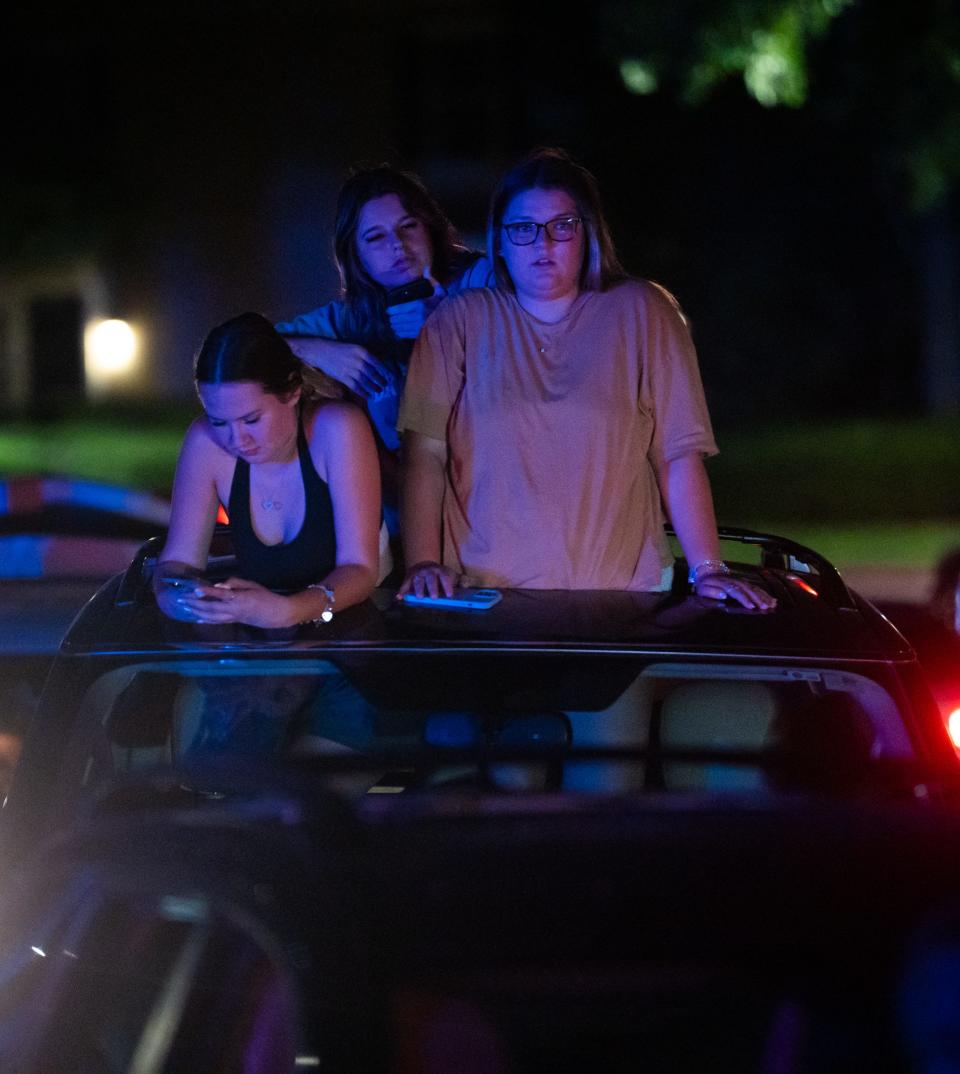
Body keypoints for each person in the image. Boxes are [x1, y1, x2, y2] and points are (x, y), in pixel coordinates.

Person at [397, 147, 774, 610]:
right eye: (523, 229)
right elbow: (425, 456)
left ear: (588, 232)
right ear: (500, 240)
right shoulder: (457, 323)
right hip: (486, 601)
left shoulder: (644, 311)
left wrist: (708, 569)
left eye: (562, 226)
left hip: (622, 605)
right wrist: (422, 563)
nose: (543, 244)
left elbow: (677, 452)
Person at [275, 165, 493, 537]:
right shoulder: (352, 317)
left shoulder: (480, 278)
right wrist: (320, 351)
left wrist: (448, 323)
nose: (397, 246)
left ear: (428, 226)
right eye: (375, 237)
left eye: (408, 226)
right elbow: (238, 346)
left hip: (489, 495)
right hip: (399, 512)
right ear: (355, 253)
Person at [155, 312, 380, 628]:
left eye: (251, 420)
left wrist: (288, 611)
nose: (237, 439)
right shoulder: (205, 442)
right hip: (257, 650)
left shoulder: (337, 429)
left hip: (344, 641)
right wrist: (180, 598)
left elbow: (360, 569)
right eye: (219, 421)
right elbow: (178, 562)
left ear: (292, 392)